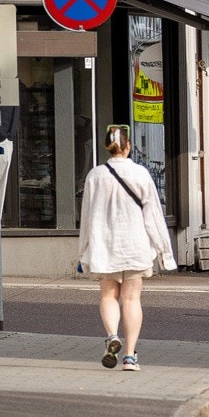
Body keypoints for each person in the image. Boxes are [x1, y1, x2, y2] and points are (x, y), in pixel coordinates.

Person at [77, 124, 176, 371]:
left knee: (108, 296)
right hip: (135, 246)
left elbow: (86, 217)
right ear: (128, 146)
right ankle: (130, 356)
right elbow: (153, 215)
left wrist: (83, 252)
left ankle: (112, 336)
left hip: (104, 246)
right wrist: (165, 252)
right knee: (132, 299)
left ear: (107, 147)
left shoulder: (95, 175)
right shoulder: (141, 174)